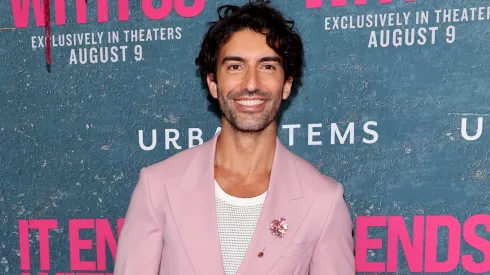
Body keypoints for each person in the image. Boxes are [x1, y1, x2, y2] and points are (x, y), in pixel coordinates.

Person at [113, 1, 355, 274]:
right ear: (213, 83)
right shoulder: (158, 187)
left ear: (287, 84)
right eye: (235, 67)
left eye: (267, 67)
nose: (251, 84)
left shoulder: (322, 200)